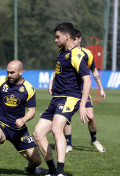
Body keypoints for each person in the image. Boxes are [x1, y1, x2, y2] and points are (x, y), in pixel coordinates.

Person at [33, 22, 91, 176]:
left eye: (57, 37)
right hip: (56, 98)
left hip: (69, 98)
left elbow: (87, 80)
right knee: (38, 133)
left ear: (67, 36)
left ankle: (60, 172)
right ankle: (52, 170)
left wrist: (83, 105)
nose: (55, 40)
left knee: (56, 129)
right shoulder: (61, 51)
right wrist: (53, 80)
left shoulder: (77, 55)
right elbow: (58, 69)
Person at [62, 29, 106, 153]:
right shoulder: (66, 53)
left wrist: (101, 88)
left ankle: (94, 140)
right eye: (71, 39)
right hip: (69, 91)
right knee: (66, 118)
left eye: (75, 39)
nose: (73, 41)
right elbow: (60, 69)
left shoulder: (87, 53)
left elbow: (94, 70)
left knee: (91, 117)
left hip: (83, 91)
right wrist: (52, 81)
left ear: (79, 39)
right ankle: (68, 144)